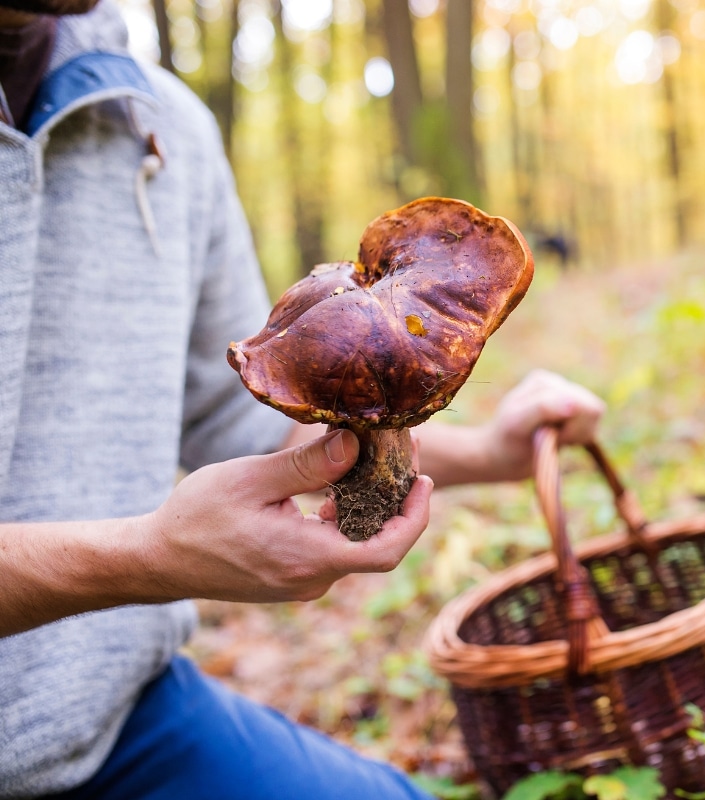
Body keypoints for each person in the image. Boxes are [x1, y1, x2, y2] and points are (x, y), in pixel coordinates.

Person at [0, 1, 605, 797]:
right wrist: (145, 558)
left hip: (120, 720)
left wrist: (492, 452)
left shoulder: (164, 124)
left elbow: (249, 423)